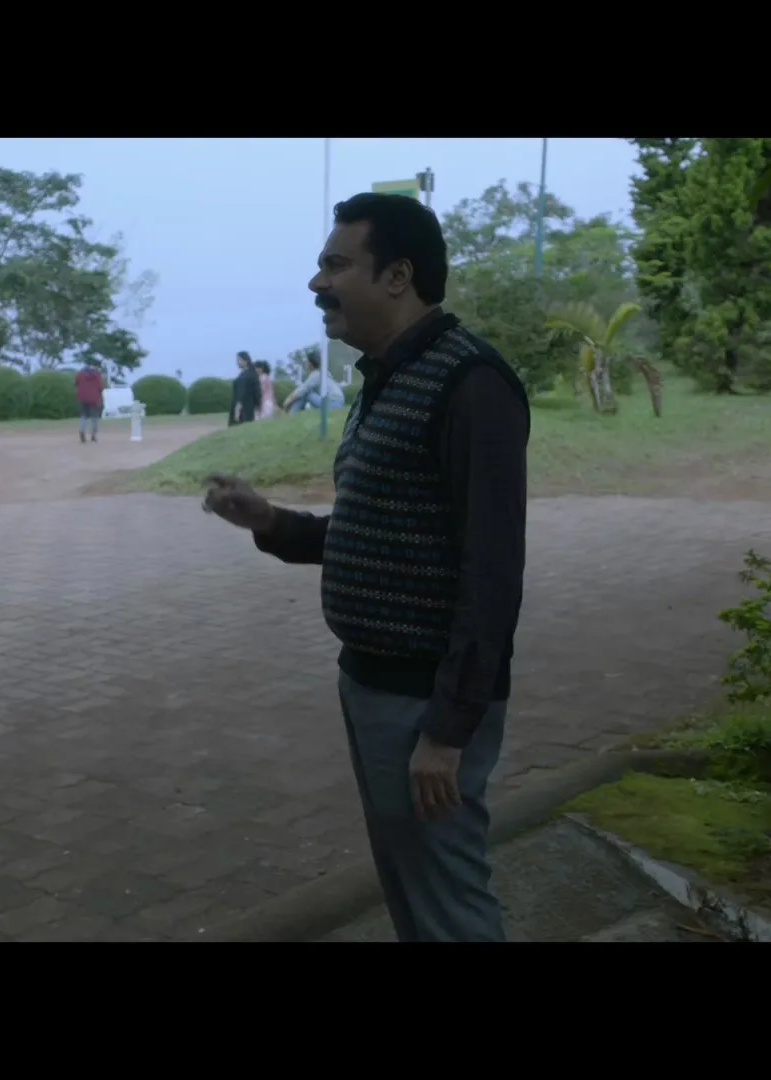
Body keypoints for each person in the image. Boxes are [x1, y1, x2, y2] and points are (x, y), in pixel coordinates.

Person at [203, 192, 531, 943]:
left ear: (398, 276)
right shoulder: (386, 377)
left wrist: (446, 731)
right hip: (374, 684)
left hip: (424, 702)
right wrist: (270, 522)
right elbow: (381, 533)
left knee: (449, 903)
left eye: (336, 264)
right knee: (415, 889)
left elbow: (491, 573)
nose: (317, 283)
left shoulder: (471, 383)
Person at [75, 358, 105, 443]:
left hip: (82, 397)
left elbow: (76, 383)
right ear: (97, 366)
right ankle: (93, 436)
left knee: (83, 415)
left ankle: (82, 430)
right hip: (94, 398)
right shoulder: (97, 375)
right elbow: (100, 387)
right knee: (94, 417)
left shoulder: (80, 373)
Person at [229, 350, 260, 425]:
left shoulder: (248, 375)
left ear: (245, 361)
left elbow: (243, 393)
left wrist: (238, 407)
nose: (237, 362)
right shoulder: (244, 374)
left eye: (239, 360)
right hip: (242, 405)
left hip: (244, 407)